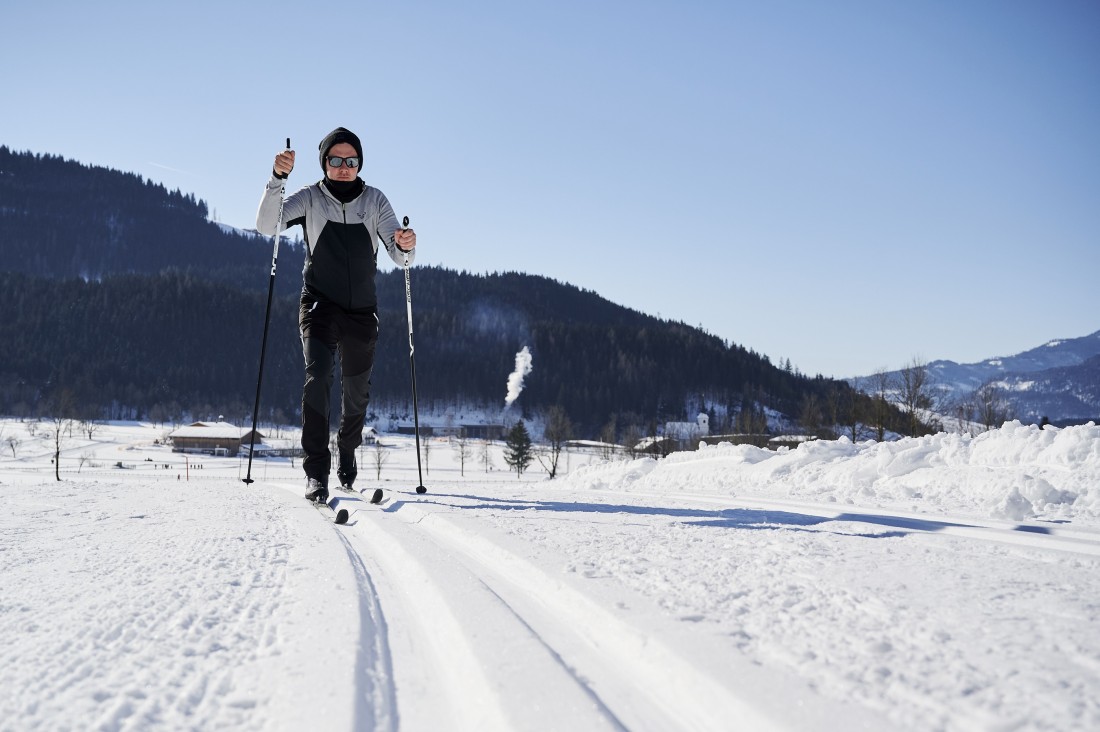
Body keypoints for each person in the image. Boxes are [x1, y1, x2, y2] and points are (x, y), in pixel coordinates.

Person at [256, 127, 416, 504]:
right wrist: (277, 179)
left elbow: (399, 253)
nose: (344, 167)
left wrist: (408, 243)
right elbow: (267, 225)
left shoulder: (375, 201)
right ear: (324, 162)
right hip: (319, 306)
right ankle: (316, 473)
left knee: (356, 392)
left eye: (351, 161)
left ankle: (347, 449)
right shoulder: (310, 198)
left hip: (362, 312)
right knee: (318, 379)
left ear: (359, 163)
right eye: (336, 160)